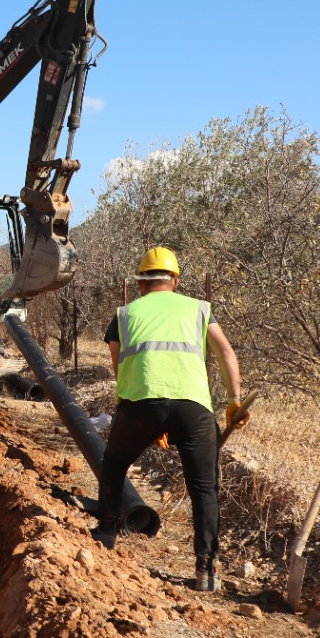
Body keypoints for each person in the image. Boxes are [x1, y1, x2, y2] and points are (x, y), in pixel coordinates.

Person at [95, 246, 245, 592]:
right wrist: (235, 400)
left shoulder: (124, 314)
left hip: (140, 404)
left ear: (140, 284)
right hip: (192, 407)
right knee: (204, 487)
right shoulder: (199, 309)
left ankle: (105, 534)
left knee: (115, 462)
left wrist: (152, 422)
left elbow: (122, 368)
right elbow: (225, 351)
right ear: (175, 280)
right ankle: (206, 570)